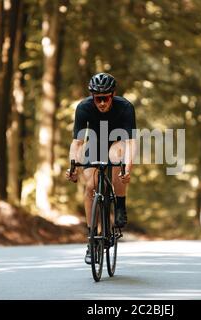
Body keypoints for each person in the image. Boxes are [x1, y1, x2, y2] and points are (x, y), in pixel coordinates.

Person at [66, 73, 136, 264]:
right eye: (98, 98)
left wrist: (127, 169)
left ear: (113, 95)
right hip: (94, 145)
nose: (102, 103)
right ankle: (91, 240)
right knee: (90, 187)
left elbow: (130, 143)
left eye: (106, 98)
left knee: (116, 161)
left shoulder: (125, 107)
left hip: (117, 142)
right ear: (93, 97)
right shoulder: (84, 108)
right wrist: (72, 166)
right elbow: (78, 143)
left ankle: (120, 205)